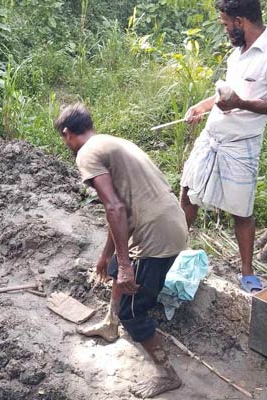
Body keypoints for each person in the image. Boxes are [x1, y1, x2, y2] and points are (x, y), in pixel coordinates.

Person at [55, 103, 188, 398]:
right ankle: (109, 324)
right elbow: (119, 213)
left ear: (67, 133)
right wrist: (109, 256)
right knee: (117, 268)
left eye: (63, 139)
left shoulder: (87, 154)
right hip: (166, 220)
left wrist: (127, 265)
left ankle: (167, 374)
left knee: (133, 308)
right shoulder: (112, 142)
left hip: (156, 234)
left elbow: (115, 208)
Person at [181, 0, 267, 293]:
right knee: (187, 194)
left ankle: (246, 272)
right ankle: (174, 249)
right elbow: (225, 94)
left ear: (241, 20)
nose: (224, 30)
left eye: (225, 24)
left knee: (241, 210)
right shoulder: (238, 51)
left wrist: (241, 104)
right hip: (211, 137)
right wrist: (202, 106)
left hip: (241, 145)